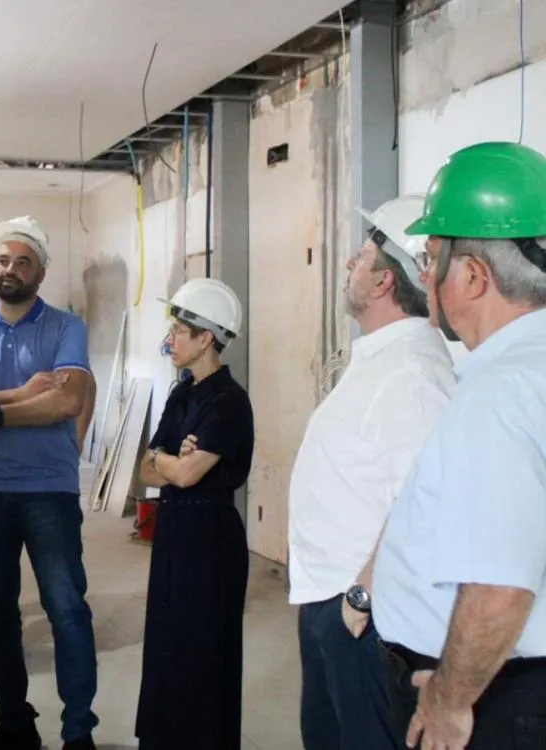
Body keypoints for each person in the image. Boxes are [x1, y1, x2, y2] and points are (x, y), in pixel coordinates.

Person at [371, 141, 546, 750]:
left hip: (498, 701)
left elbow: (501, 585)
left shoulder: (499, 393)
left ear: (471, 275)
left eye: (432, 255)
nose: (425, 274)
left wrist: (448, 701)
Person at [287, 196, 457, 749]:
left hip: (361, 614)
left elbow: (425, 502)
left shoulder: (412, 372)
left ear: (384, 281)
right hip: (331, 599)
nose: (348, 266)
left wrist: (360, 598)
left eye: (359, 256)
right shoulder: (384, 358)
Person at [0, 215, 97, 750]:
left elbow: (69, 399)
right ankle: (15, 725)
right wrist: (22, 395)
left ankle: (78, 734)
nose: (11, 269)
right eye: (4, 260)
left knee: (67, 610)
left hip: (49, 491)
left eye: (23, 261)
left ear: (41, 272)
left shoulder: (66, 327)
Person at [133, 278, 254, 750]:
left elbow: (185, 475)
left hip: (210, 538)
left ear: (207, 338)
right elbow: (150, 464)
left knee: (202, 650)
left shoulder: (228, 401)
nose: (171, 339)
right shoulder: (182, 394)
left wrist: (174, 464)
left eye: (181, 330)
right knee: (167, 643)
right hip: (176, 530)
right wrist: (172, 460)